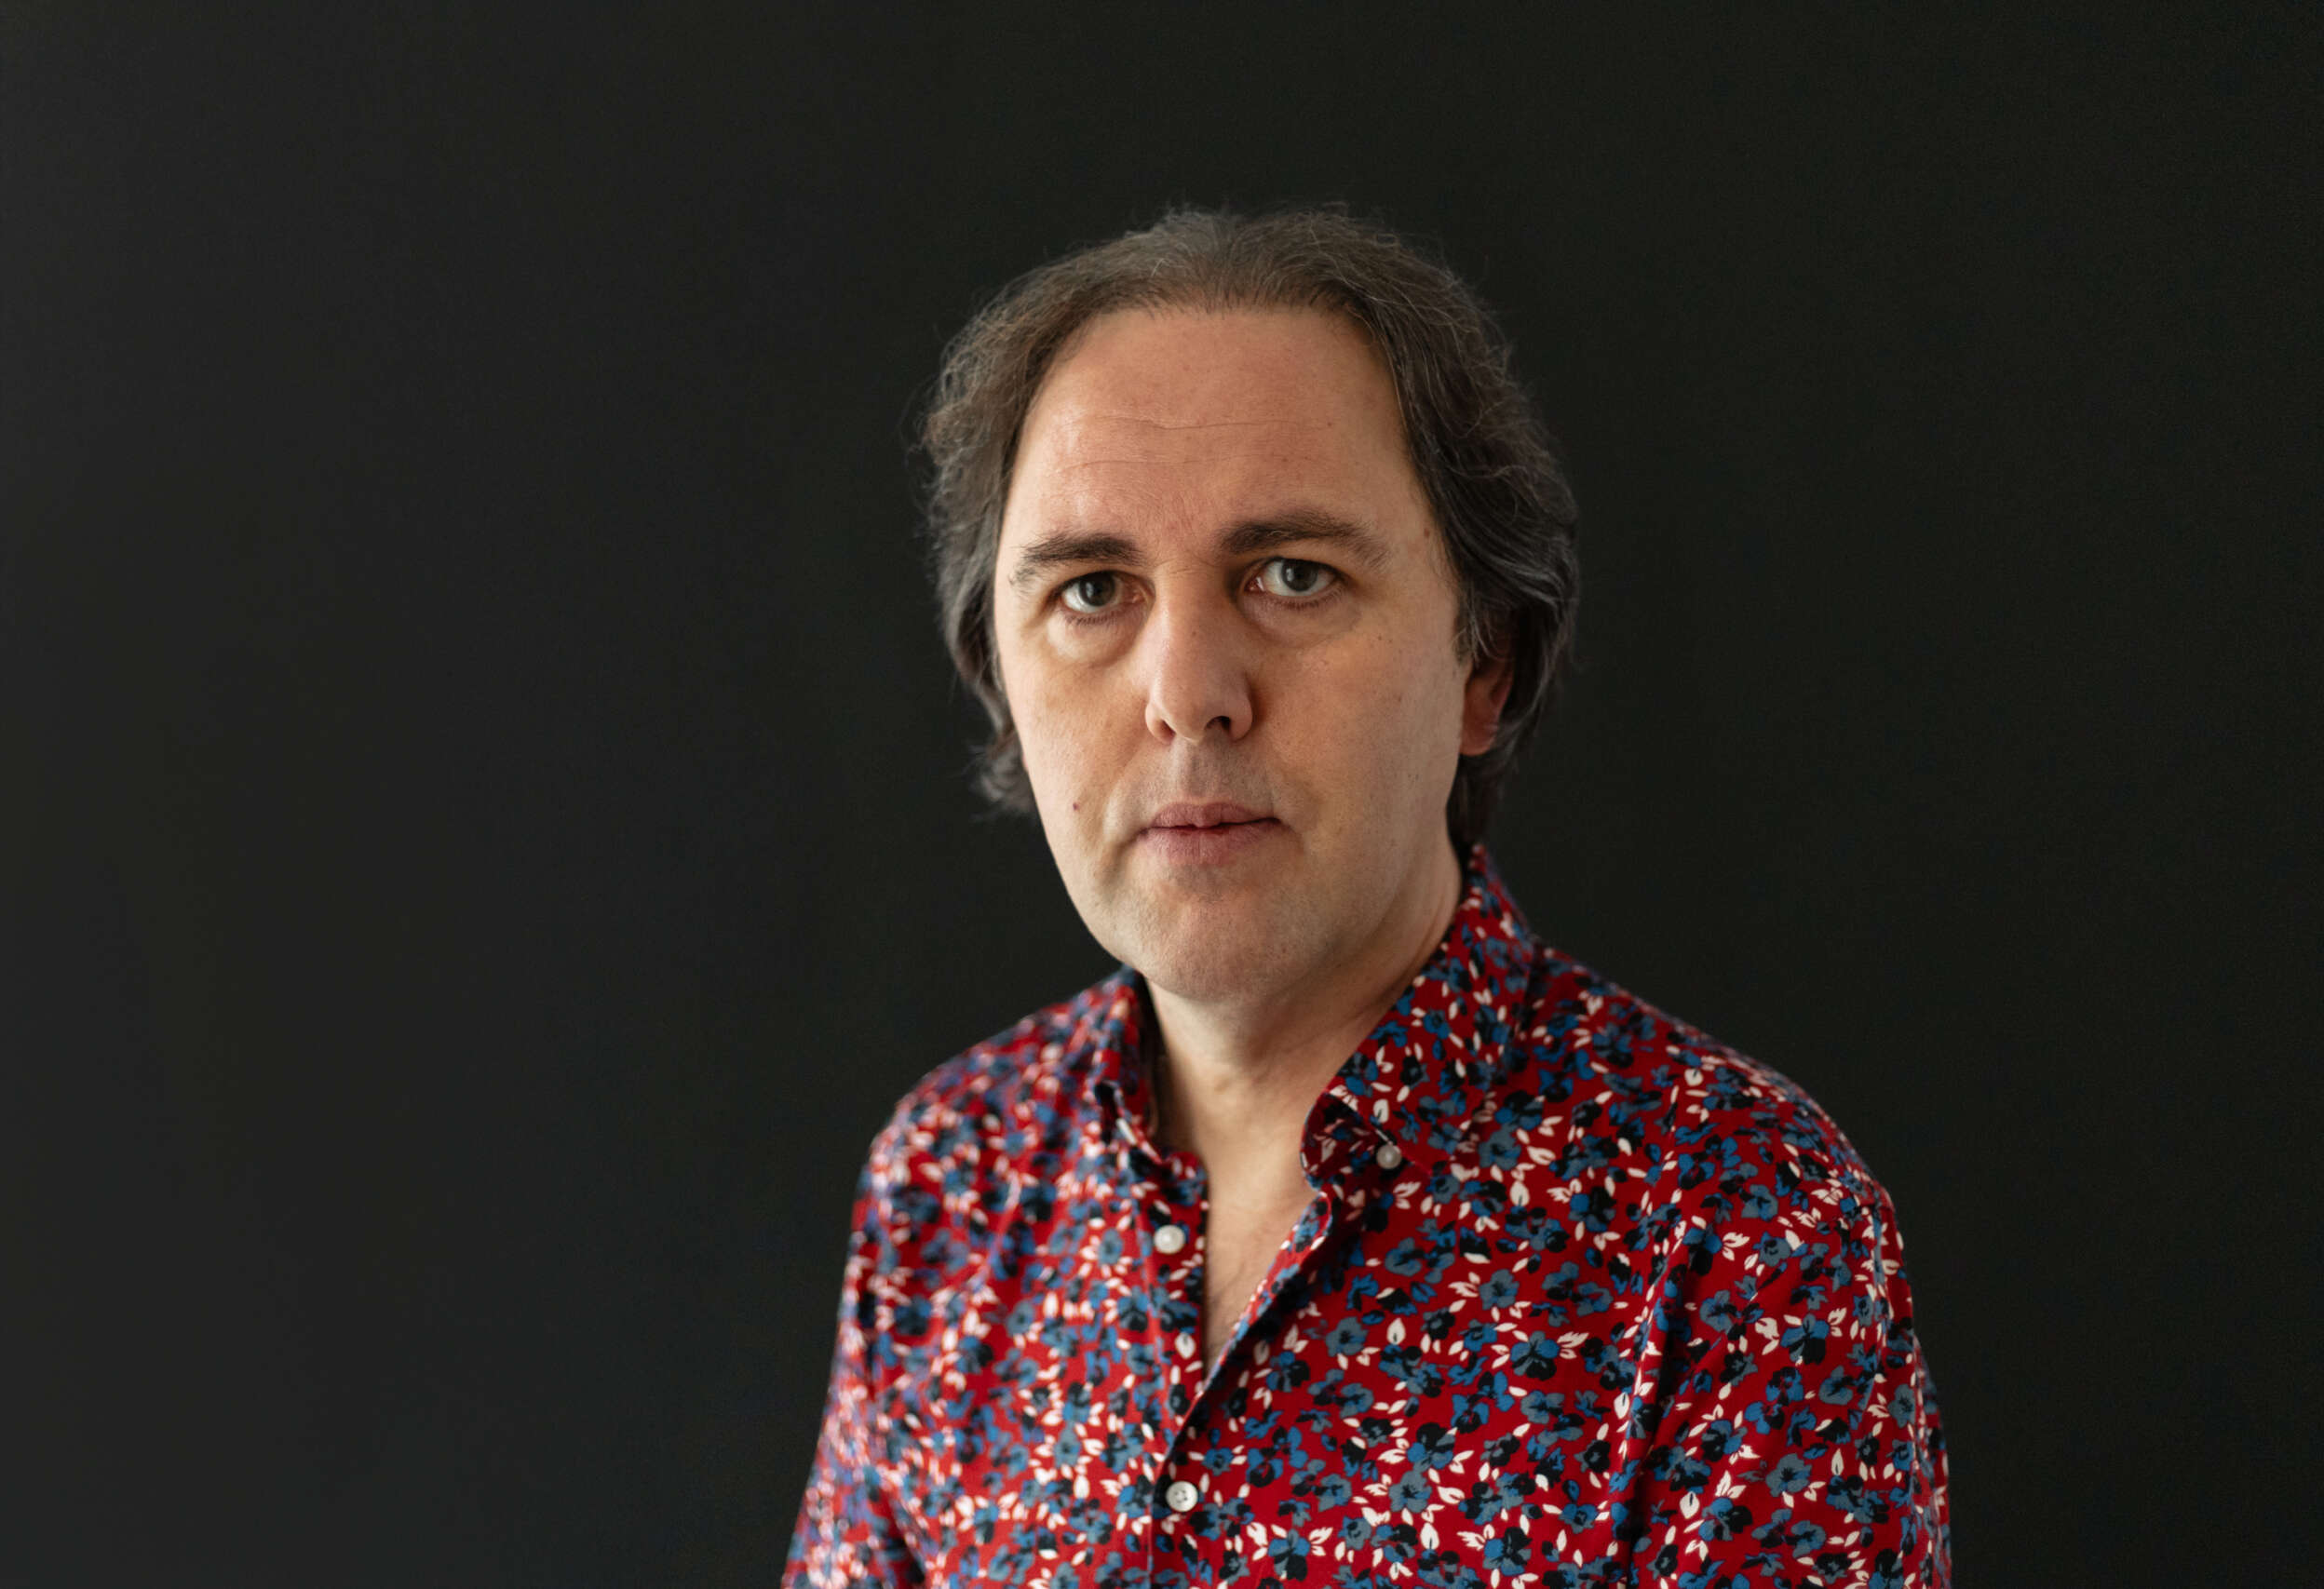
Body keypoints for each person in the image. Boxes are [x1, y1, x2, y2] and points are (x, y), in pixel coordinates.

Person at [783, 206, 1949, 1589]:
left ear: (1483, 664)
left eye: (1293, 577)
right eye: (1092, 590)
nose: (1190, 696)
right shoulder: (951, 1186)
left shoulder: (1737, 1232)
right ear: (1000, 677)